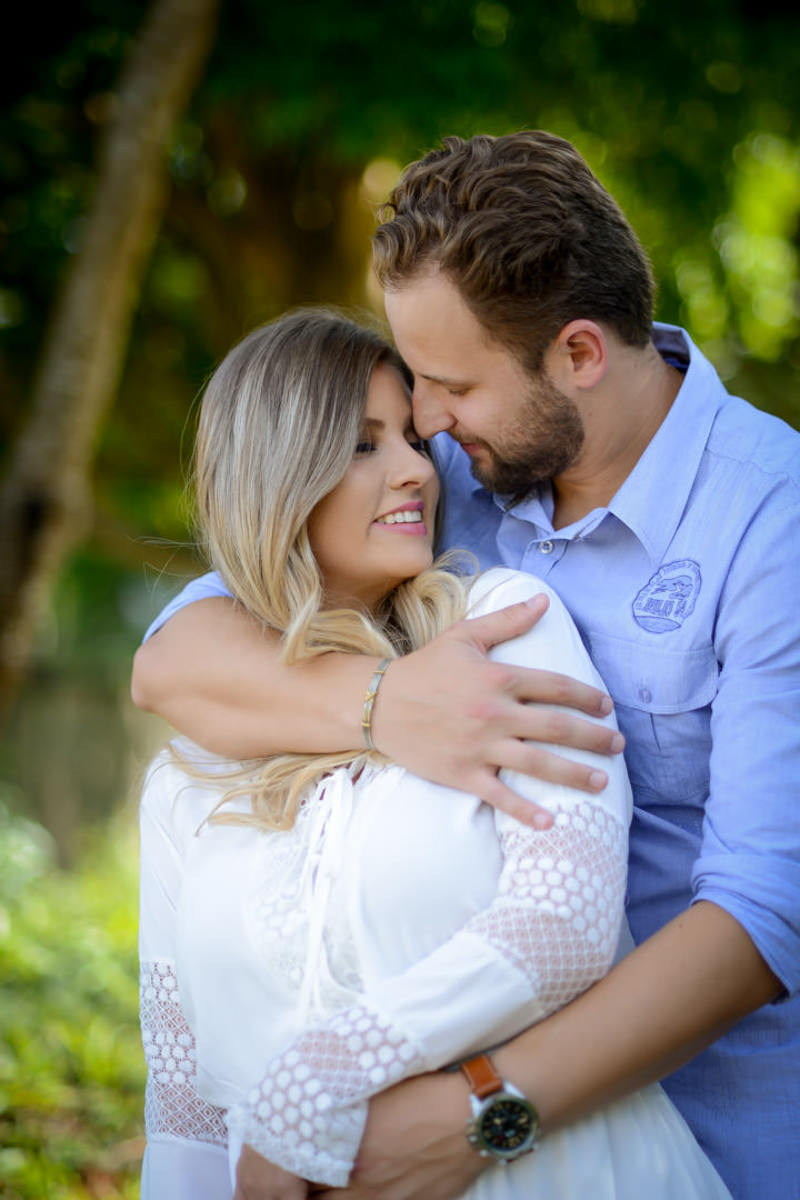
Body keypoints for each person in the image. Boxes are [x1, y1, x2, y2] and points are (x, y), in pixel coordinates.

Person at [132, 133, 800, 1200]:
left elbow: (763, 915)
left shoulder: (773, 521)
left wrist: (480, 1112)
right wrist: (378, 703)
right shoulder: (456, 462)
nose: (427, 426)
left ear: (577, 354)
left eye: (446, 385)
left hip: (710, 1138)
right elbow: (173, 657)